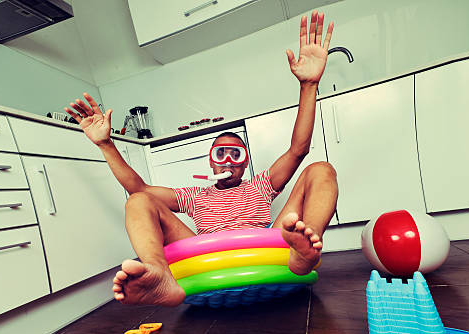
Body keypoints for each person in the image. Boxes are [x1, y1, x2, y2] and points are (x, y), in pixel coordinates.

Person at [64, 11, 339, 307]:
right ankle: (160, 274)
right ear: (211, 162)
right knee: (137, 201)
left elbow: (299, 149)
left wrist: (308, 85)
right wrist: (106, 144)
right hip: (209, 259)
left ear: (245, 162)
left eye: (237, 154)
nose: (229, 160)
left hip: (267, 251)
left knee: (320, 169)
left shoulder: (261, 185)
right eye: (221, 153)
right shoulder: (195, 196)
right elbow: (139, 189)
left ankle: (304, 255)